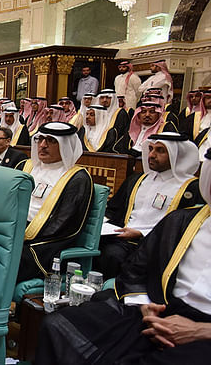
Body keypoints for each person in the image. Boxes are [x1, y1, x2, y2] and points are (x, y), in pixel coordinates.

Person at [36, 148, 211, 364]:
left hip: (205, 330)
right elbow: (137, 271)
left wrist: (200, 330)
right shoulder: (182, 221)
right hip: (158, 309)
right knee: (58, 325)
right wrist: (145, 308)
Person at [97, 132, 202, 278]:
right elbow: (113, 210)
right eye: (151, 149)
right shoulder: (137, 180)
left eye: (160, 150)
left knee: (113, 255)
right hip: (121, 237)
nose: (151, 155)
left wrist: (141, 233)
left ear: (176, 155)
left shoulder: (191, 188)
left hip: (156, 246)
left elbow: (186, 228)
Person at [15, 122, 93, 282]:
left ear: (65, 145)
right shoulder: (25, 166)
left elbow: (63, 224)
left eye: (51, 140)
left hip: (45, 243)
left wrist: (21, 236)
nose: (42, 145)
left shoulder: (77, 178)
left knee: (6, 256)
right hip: (14, 228)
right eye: (40, 139)